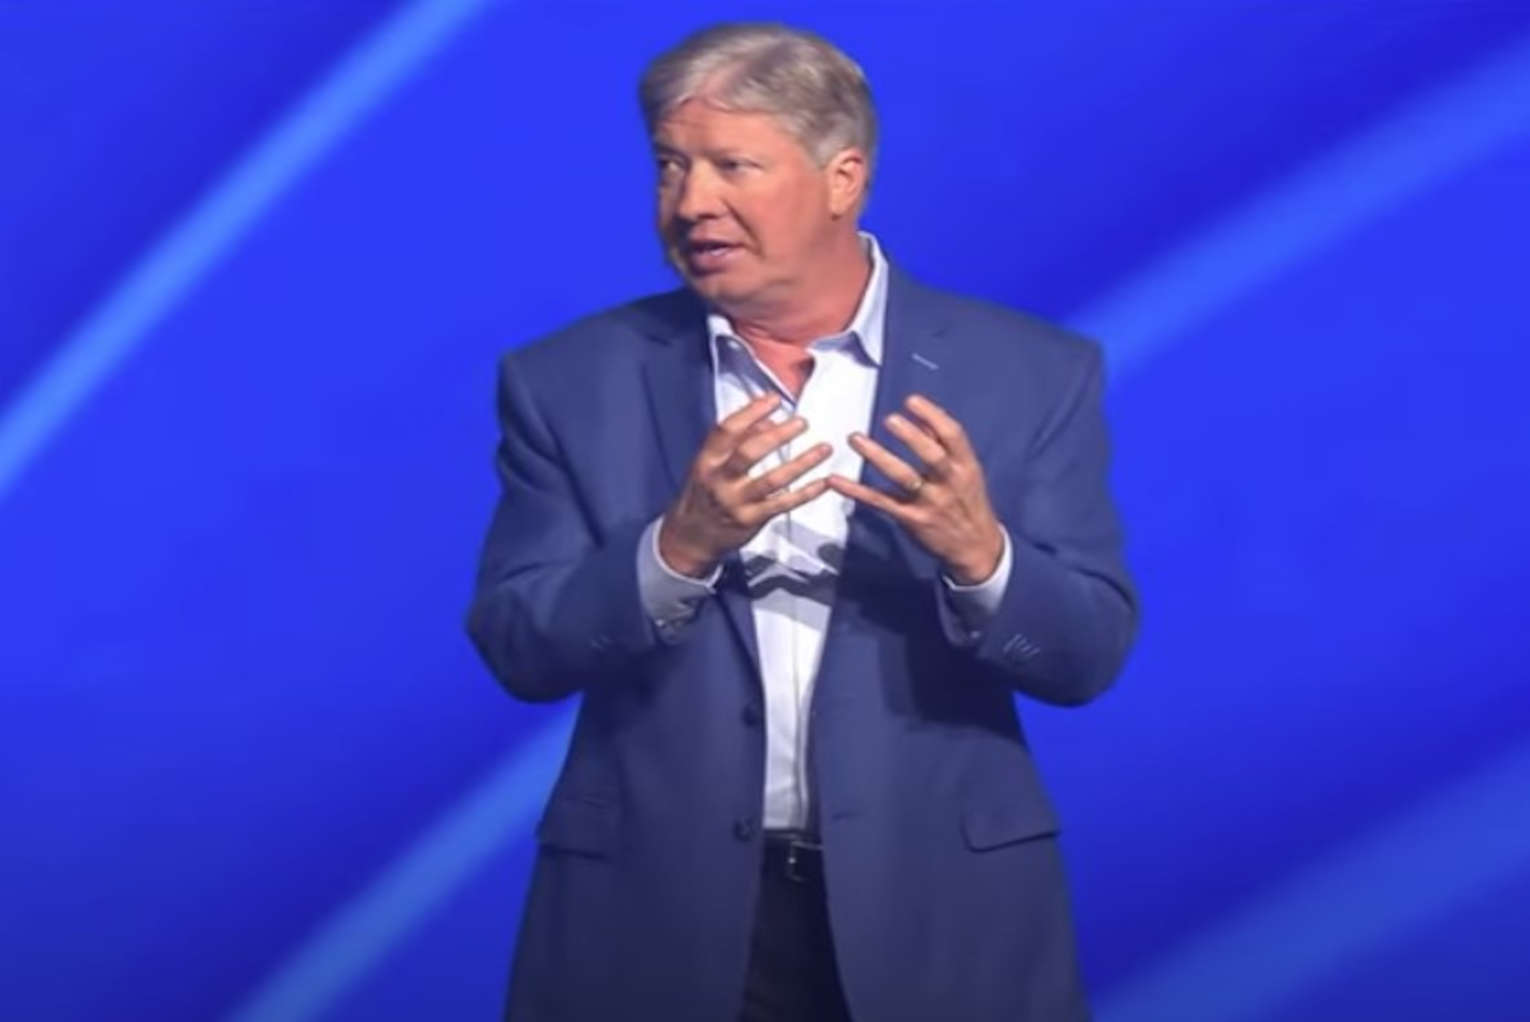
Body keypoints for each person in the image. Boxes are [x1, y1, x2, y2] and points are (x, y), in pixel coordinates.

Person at [466, 20, 1138, 1022]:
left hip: (942, 917)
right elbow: (521, 646)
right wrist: (674, 550)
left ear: (843, 179)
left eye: (732, 166)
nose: (691, 202)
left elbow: (1085, 656)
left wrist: (981, 557)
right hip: (656, 921)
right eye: (670, 166)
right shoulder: (567, 382)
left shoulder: (1030, 373)